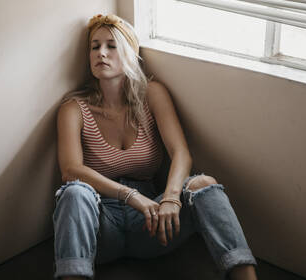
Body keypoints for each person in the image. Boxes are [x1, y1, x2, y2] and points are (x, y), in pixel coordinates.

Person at [53, 14, 258, 280]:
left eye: (111, 46)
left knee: (203, 184)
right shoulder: (73, 109)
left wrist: (171, 197)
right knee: (74, 192)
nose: (101, 53)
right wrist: (129, 195)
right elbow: (71, 170)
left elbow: (180, 153)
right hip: (100, 225)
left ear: (130, 51)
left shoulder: (153, 94)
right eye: (95, 46)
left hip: (152, 223)